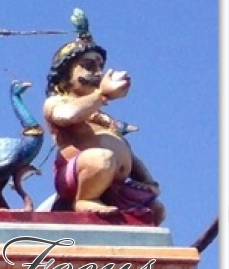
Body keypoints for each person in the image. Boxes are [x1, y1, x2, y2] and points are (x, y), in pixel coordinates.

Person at [43, 12, 163, 224]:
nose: (98, 73)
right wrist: (101, 95)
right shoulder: (58, 102)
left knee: (156, 210)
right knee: (101, 158)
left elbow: (126, 150)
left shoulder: (100, 114)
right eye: (88, 67)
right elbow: (67, 116)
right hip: (77, 176)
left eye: (100, 67)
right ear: (64, 76)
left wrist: (146, 179)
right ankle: (86, 199)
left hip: (114, 185)